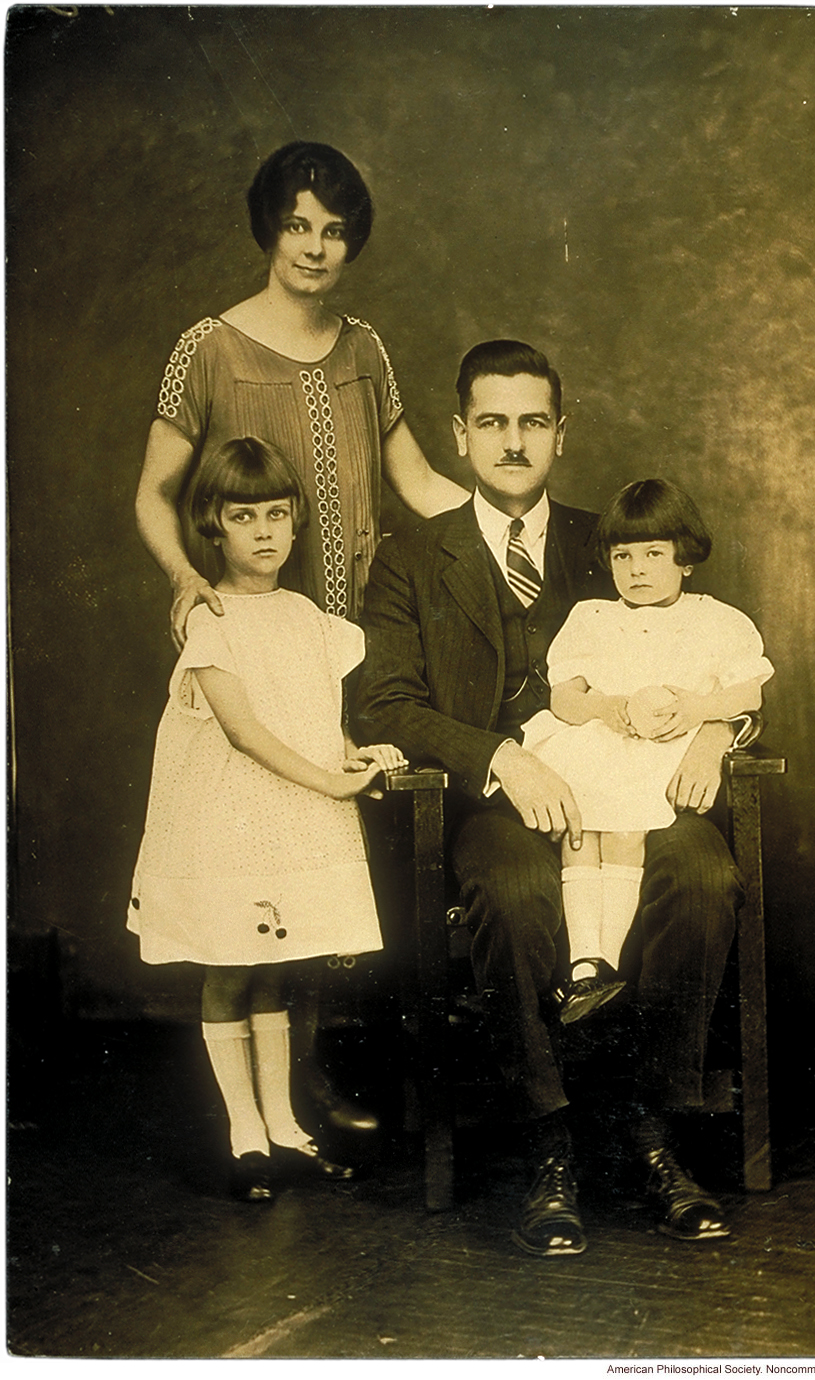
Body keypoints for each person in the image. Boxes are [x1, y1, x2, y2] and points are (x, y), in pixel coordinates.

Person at [354, 340, 758, 1255]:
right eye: (490, 422)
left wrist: (709, 731)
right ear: (459, 435)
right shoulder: (411, 558)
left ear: (559, 435)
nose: (511, 441)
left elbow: (718, 661)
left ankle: (655, 1133)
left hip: (635, 789)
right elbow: (387, 703)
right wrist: (501, 757)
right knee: (512, 888)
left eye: (531, 421)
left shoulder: (614, 539)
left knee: (701, 871)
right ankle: (550, 1144)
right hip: (499, 804)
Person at [128, 437, 406, 1202]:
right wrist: (328, 782)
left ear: (295, 523)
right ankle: (242, 1136)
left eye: (276, 515)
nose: (262, 531)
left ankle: (284, 1126)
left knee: (279, 972)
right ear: (212, 524)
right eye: (241, 515)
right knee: (229, 967)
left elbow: (318, 715)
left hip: (294, 813)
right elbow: (245, 730)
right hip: (229, 818)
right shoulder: (210, 621)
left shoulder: (308, 617)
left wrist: (351, 758)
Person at [135, 140, 467, 648]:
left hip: (360, 638)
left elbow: (419, 483)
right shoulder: (208, 349)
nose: (316, 249)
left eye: (333, 232)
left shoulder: (363, 348)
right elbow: (154, 493)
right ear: (271, 230)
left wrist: (510, 528)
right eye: (298, 227)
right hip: (248, 635)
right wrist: (185, 578)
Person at [522, 479, 773, 1024]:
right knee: (580, 828)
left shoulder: (717, 620)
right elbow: (565, 696)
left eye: (653, 554)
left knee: (627, 830)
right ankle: (585, 966)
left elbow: (747, 692)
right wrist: (610, 708)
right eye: (623, 556)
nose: (636, 569)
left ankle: (601, 962)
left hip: (660, 751)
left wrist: (698, 710)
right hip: (600, 739)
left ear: (685, 559)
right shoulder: (591, 617)